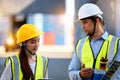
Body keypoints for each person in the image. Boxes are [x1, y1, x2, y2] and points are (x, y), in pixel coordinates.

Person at [68, 3, 120, 80]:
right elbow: (71, 72)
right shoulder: (80, 44)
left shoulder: (116, 44)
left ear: (97, 20)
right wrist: (80, 74)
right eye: (81, 23)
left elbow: (116, 74)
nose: (82, 26)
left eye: (85, 22)